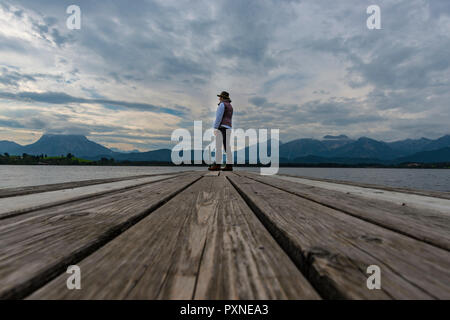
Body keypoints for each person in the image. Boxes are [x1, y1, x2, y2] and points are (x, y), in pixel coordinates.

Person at [209, 91, 233, 171]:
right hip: (228, 127)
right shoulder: (230, 106)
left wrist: (215, 128)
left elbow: (219, 117)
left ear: (222, 98)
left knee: (218, 146)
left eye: (220, 97)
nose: (219, 98)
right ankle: (229, 166)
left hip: (222, 127)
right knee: (227, 146)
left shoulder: (222, 105)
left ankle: (217, 165)